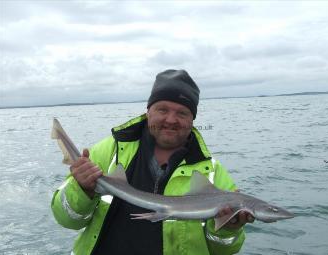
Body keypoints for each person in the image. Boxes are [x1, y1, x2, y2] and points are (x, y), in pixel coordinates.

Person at [51, 69, 253, 255]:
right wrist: (82, 190)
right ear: (148, 112)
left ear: (192, 119)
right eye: (162, 110)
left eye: (182, 113)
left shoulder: (212, 172)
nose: (171, 120)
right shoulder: (109, 151)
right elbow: (67, 219)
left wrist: (228, 228)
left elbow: (224, 250)